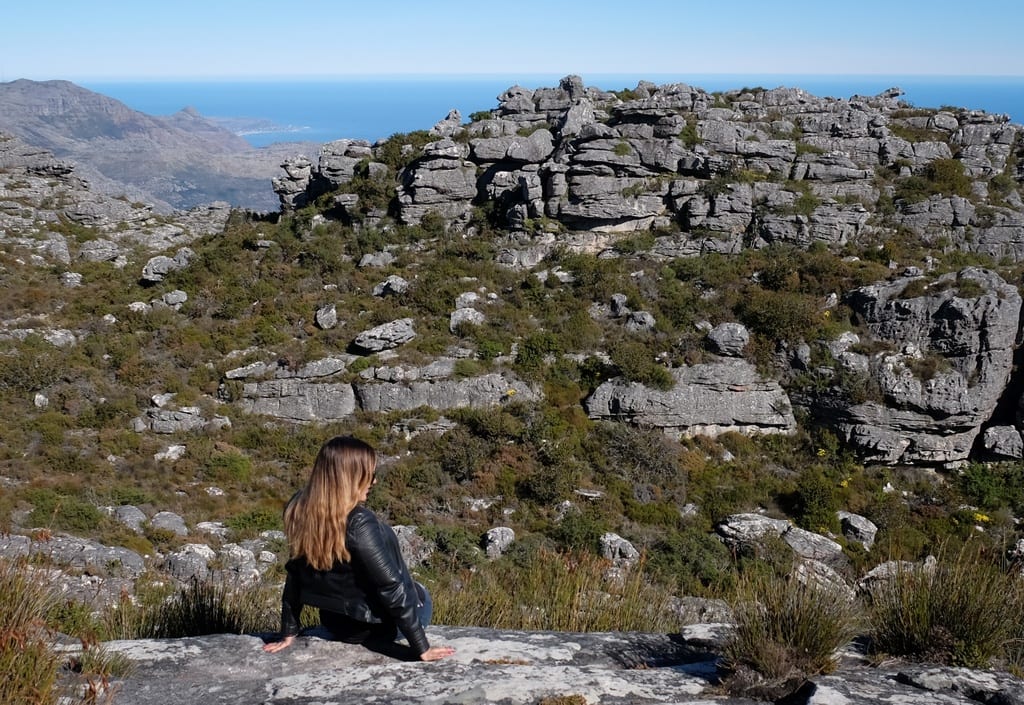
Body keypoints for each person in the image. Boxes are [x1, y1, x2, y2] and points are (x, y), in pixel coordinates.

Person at [262, 435, 455, 661]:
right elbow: (391, 588)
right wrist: (422, 648)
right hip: (379, 628)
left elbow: (295, 575)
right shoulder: (359, 523)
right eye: (369, 475)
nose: (374, 482)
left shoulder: (298, 509)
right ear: (350, 478)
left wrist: (289, 632)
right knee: (421, 592)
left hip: (337, 624)